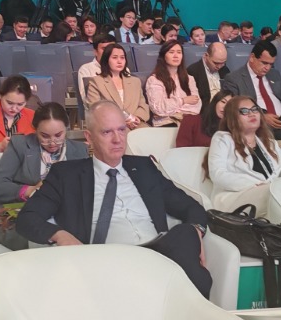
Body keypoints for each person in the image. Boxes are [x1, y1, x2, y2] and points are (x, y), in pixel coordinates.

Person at [15, 101, 212, 296]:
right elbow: (27, 218)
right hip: (107, 260)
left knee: (185, 233)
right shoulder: (66, 175)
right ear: (89, 137)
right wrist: (60, 235)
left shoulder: (144, 168)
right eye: (107, 132)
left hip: (158, 254)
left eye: (122, 130)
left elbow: (190, 206)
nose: (117, 139)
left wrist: (196, 230)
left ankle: (196, 308)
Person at [0, 103, 88, 249]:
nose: (52, 142)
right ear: (35, 130)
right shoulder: (20, 145)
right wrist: (30, 190)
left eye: (58, 135)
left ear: (67, 128)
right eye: (44, 136)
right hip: (19, 213)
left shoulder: (79, 150)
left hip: (63, 215)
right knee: (46, 242)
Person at [208, 95, 281, 210]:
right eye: (244, 111)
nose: (252, 114)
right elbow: (218, 174)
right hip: (236, 196)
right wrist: (256, 184)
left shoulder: (269, 143)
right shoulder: (222, 138)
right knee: (276, 195)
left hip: (271, 193)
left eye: (255, 109)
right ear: (232, 117)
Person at [223, 41, 281, 136]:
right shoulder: (234, 78)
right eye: (264, 63)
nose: (267, 68)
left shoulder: (274, 74)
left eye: (271, 64)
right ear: (252, 57)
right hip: (259, 126)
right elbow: (234, 109)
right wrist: (261, 117)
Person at [81, 43, 150, 128]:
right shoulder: (96, 82)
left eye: (122, 57)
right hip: (110, 126)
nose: (119, 61)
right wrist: (121, 121)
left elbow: (143, 106)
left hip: (136, 124)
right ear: (106, 60)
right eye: (114, 57)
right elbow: (95, 110)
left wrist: (136, 117)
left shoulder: (135, 81)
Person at [144, 39, 201, 128]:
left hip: (187, 122)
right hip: (165, 124)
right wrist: (183, 101)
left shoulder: (189, 79)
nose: (176, 56)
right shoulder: (154, 80)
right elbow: (158, 108)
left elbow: (197, 105)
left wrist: (172, 108)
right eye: (171, 52)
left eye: (179, 52)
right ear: (163, 56)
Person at [187, 41, 230, 106]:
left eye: (223, 63)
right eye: (216, 63)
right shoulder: (193, 71)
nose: (219, 67)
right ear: (206, 56)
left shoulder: (225, 70)